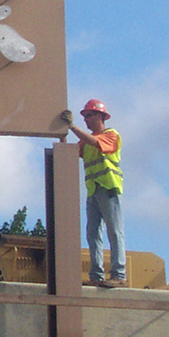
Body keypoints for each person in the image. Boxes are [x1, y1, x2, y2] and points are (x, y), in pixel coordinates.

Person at [61, 99, 126, 288]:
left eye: (89, 115)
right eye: (85, 116)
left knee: (115, 231)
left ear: (100, 116)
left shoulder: (111, 135)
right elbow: (72, 152)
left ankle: (119, 275)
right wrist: (62, 134)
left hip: (108, 187)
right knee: (93, 234)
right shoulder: (86, 141)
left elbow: (96, 142)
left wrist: (71, 126)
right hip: (94, 190)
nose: (86, 120)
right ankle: (96, 276)